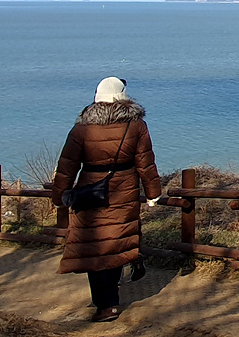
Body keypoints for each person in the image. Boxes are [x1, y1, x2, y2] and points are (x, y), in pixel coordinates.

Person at [51, 76, 163, 322]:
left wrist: (59, 195)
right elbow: (145, 162)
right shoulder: (136, 126)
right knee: (116, 239)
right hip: (124, 189)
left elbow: (67, 165)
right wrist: (153, 193)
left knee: (95, 244)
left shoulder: (82, 129)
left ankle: (105, 303)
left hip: (90, 190)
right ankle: (111, 294)